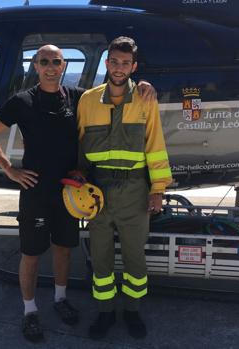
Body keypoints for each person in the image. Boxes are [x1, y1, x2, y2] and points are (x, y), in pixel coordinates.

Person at [0, 44, 157, 343]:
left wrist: (141, 84)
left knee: (63, 250)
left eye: (56, 62)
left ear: (63, 66)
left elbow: (110, 91)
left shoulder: (77, 97)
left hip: (70, 191)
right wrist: (9, 169)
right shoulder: (21, 101)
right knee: (32, 254)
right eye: (44, 61)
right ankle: (30, 310)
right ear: (35, 65)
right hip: (35, 191)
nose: (51, 67)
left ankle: (61, 300)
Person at [76, 36, 172, 339]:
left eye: (125, 63)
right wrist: (76, 185)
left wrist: (157, 189)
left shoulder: (145, 99)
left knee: (134, 258)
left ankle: (132, 311)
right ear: (107, 63)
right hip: (98, 190)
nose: (119, 68)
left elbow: (155, 145)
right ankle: (105, 314)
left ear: (134, 66)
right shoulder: (88, 100)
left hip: (134, 190)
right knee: (100, 257)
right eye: (114, 62)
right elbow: (79, 146)